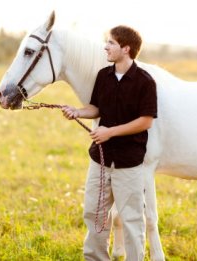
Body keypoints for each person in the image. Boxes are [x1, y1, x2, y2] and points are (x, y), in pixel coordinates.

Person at [61, 25, 157, 261]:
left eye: (111, 43)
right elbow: (97, 108)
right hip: (100, 160)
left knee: (132, 220)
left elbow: (145, 121)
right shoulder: (103, 76)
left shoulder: (145, 82)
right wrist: (78, 111)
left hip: (128, 164)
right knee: (94, 214)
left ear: (126, 48)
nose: (106, 46)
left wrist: (109, 132)